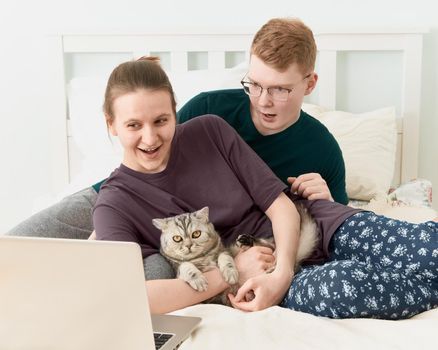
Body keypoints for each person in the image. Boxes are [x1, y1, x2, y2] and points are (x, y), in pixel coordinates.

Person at [94, 56, 437, 319]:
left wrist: (283, 270)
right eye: (133, 125)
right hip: (255, 280)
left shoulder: (210, 131)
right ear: (111, 124)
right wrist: (230, 274)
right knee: (343, 287)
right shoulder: (114, 204)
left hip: (311, 226)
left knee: (430, 249)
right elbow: (129, 296)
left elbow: (280, 206)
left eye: (161, 120)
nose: (150, 138)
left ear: (175, 112)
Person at [6, 18, 347, 270]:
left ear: (310, 83)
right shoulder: (209, 109)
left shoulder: (322, 150)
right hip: (124, 200)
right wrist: (106, 222)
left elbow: (335, 229)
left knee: (131, 278)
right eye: (254, 84)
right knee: (15, 250)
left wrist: (329, 199)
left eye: (280, 89)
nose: (263, 101)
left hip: (188, 240)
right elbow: (149, 151)